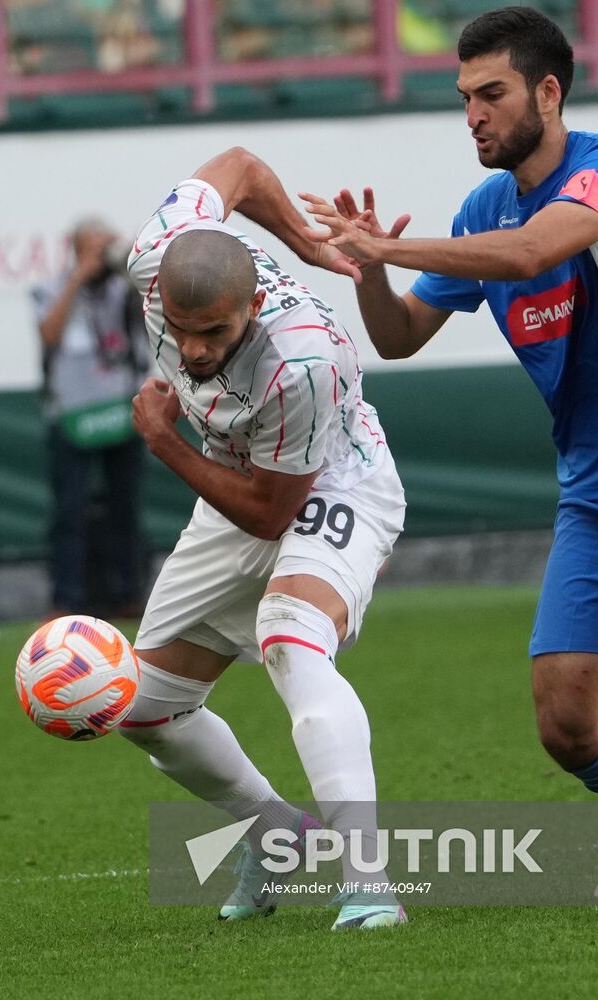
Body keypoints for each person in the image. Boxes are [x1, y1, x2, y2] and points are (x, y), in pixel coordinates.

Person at [300, 5, 598, 899]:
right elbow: (399, 338)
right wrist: (368, 270)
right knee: (567, 723)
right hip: (597, 487)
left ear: (548, 94)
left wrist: (386, 241)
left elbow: (528, 254)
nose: (472, 114)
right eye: (463, 97)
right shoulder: (484, 204)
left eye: (491, 94)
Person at [122, 146, 407, 931]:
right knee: (143, 707)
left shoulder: (298, 363)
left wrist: (163, 441)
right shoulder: (157, 252)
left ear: (249, 308)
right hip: (236, 480)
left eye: (212, 332)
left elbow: (271, 515)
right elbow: (241, 166)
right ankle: (275, 832)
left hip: (331, 482)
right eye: (180, 331)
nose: (193, 351)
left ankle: (369, 882)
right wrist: (304, 238)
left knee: (291, 634)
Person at [32, 217, 149, 620]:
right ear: (76, 249)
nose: (100, 256)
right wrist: (78, 278)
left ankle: (128, 594)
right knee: (69, 510)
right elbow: (48, 333)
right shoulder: (52, 288)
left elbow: (155, 314)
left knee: (125, 509)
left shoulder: (123, 290)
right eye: (93, 248)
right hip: (71, 416)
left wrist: (131, 262)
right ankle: (66, 598)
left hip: (121, 410)